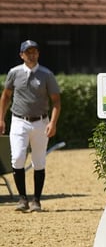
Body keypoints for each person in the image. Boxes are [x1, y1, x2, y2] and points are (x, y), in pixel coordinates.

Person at [0, 40, 61, 212]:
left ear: (38, 54)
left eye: (34, 52)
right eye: (28, 52)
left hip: (41, 122)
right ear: (22, 55)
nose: (32, 55)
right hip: (19, 121)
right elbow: (5, 96)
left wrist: (53, 123)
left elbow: (56, 101)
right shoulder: (14, 73)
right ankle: (22, 198)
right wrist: (1, 119)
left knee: (39, 161)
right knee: (18, 157)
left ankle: (36, 200)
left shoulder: (46, 75)